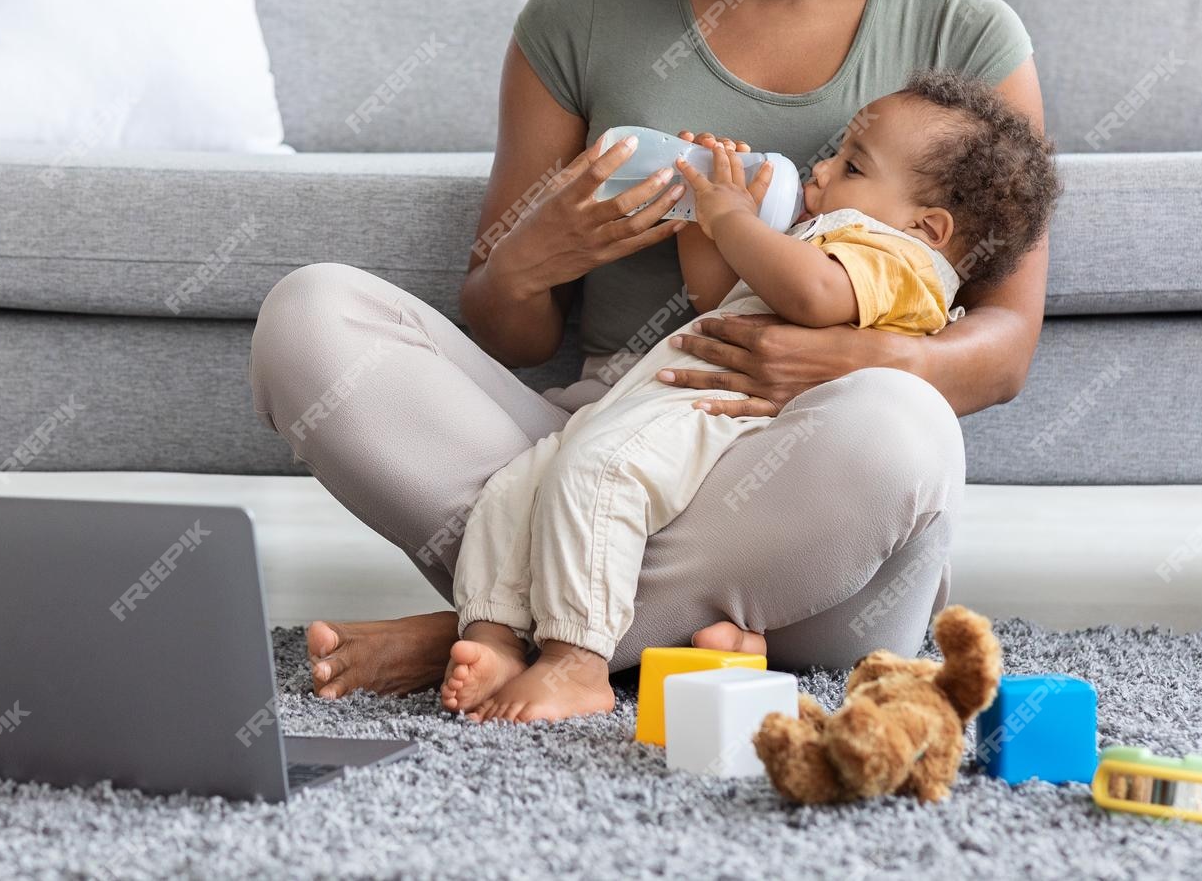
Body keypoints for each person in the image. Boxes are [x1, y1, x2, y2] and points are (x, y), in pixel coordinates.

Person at [247, 0, 1050, 705]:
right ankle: (626, 631)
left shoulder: (965, 36)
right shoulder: (581, 15)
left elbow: (999, 350)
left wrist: (831, 358)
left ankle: (495, 632)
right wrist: (529, 263)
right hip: (598, 442)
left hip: (810, 517)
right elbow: (508, 333)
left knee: (902, 429)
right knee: (309, 317)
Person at [441, 72, 1060, 721]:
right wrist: (702, 225)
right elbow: (720, 301)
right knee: (517, 487)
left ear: (927, 225)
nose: (821, 170)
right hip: (667, 406)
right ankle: (491, 639)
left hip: (723, 419)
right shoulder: (832, 239)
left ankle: (577, 663)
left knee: (597, 476)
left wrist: (733, 216)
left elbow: (813, 295)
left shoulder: (902, 262)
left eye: (851, 163)